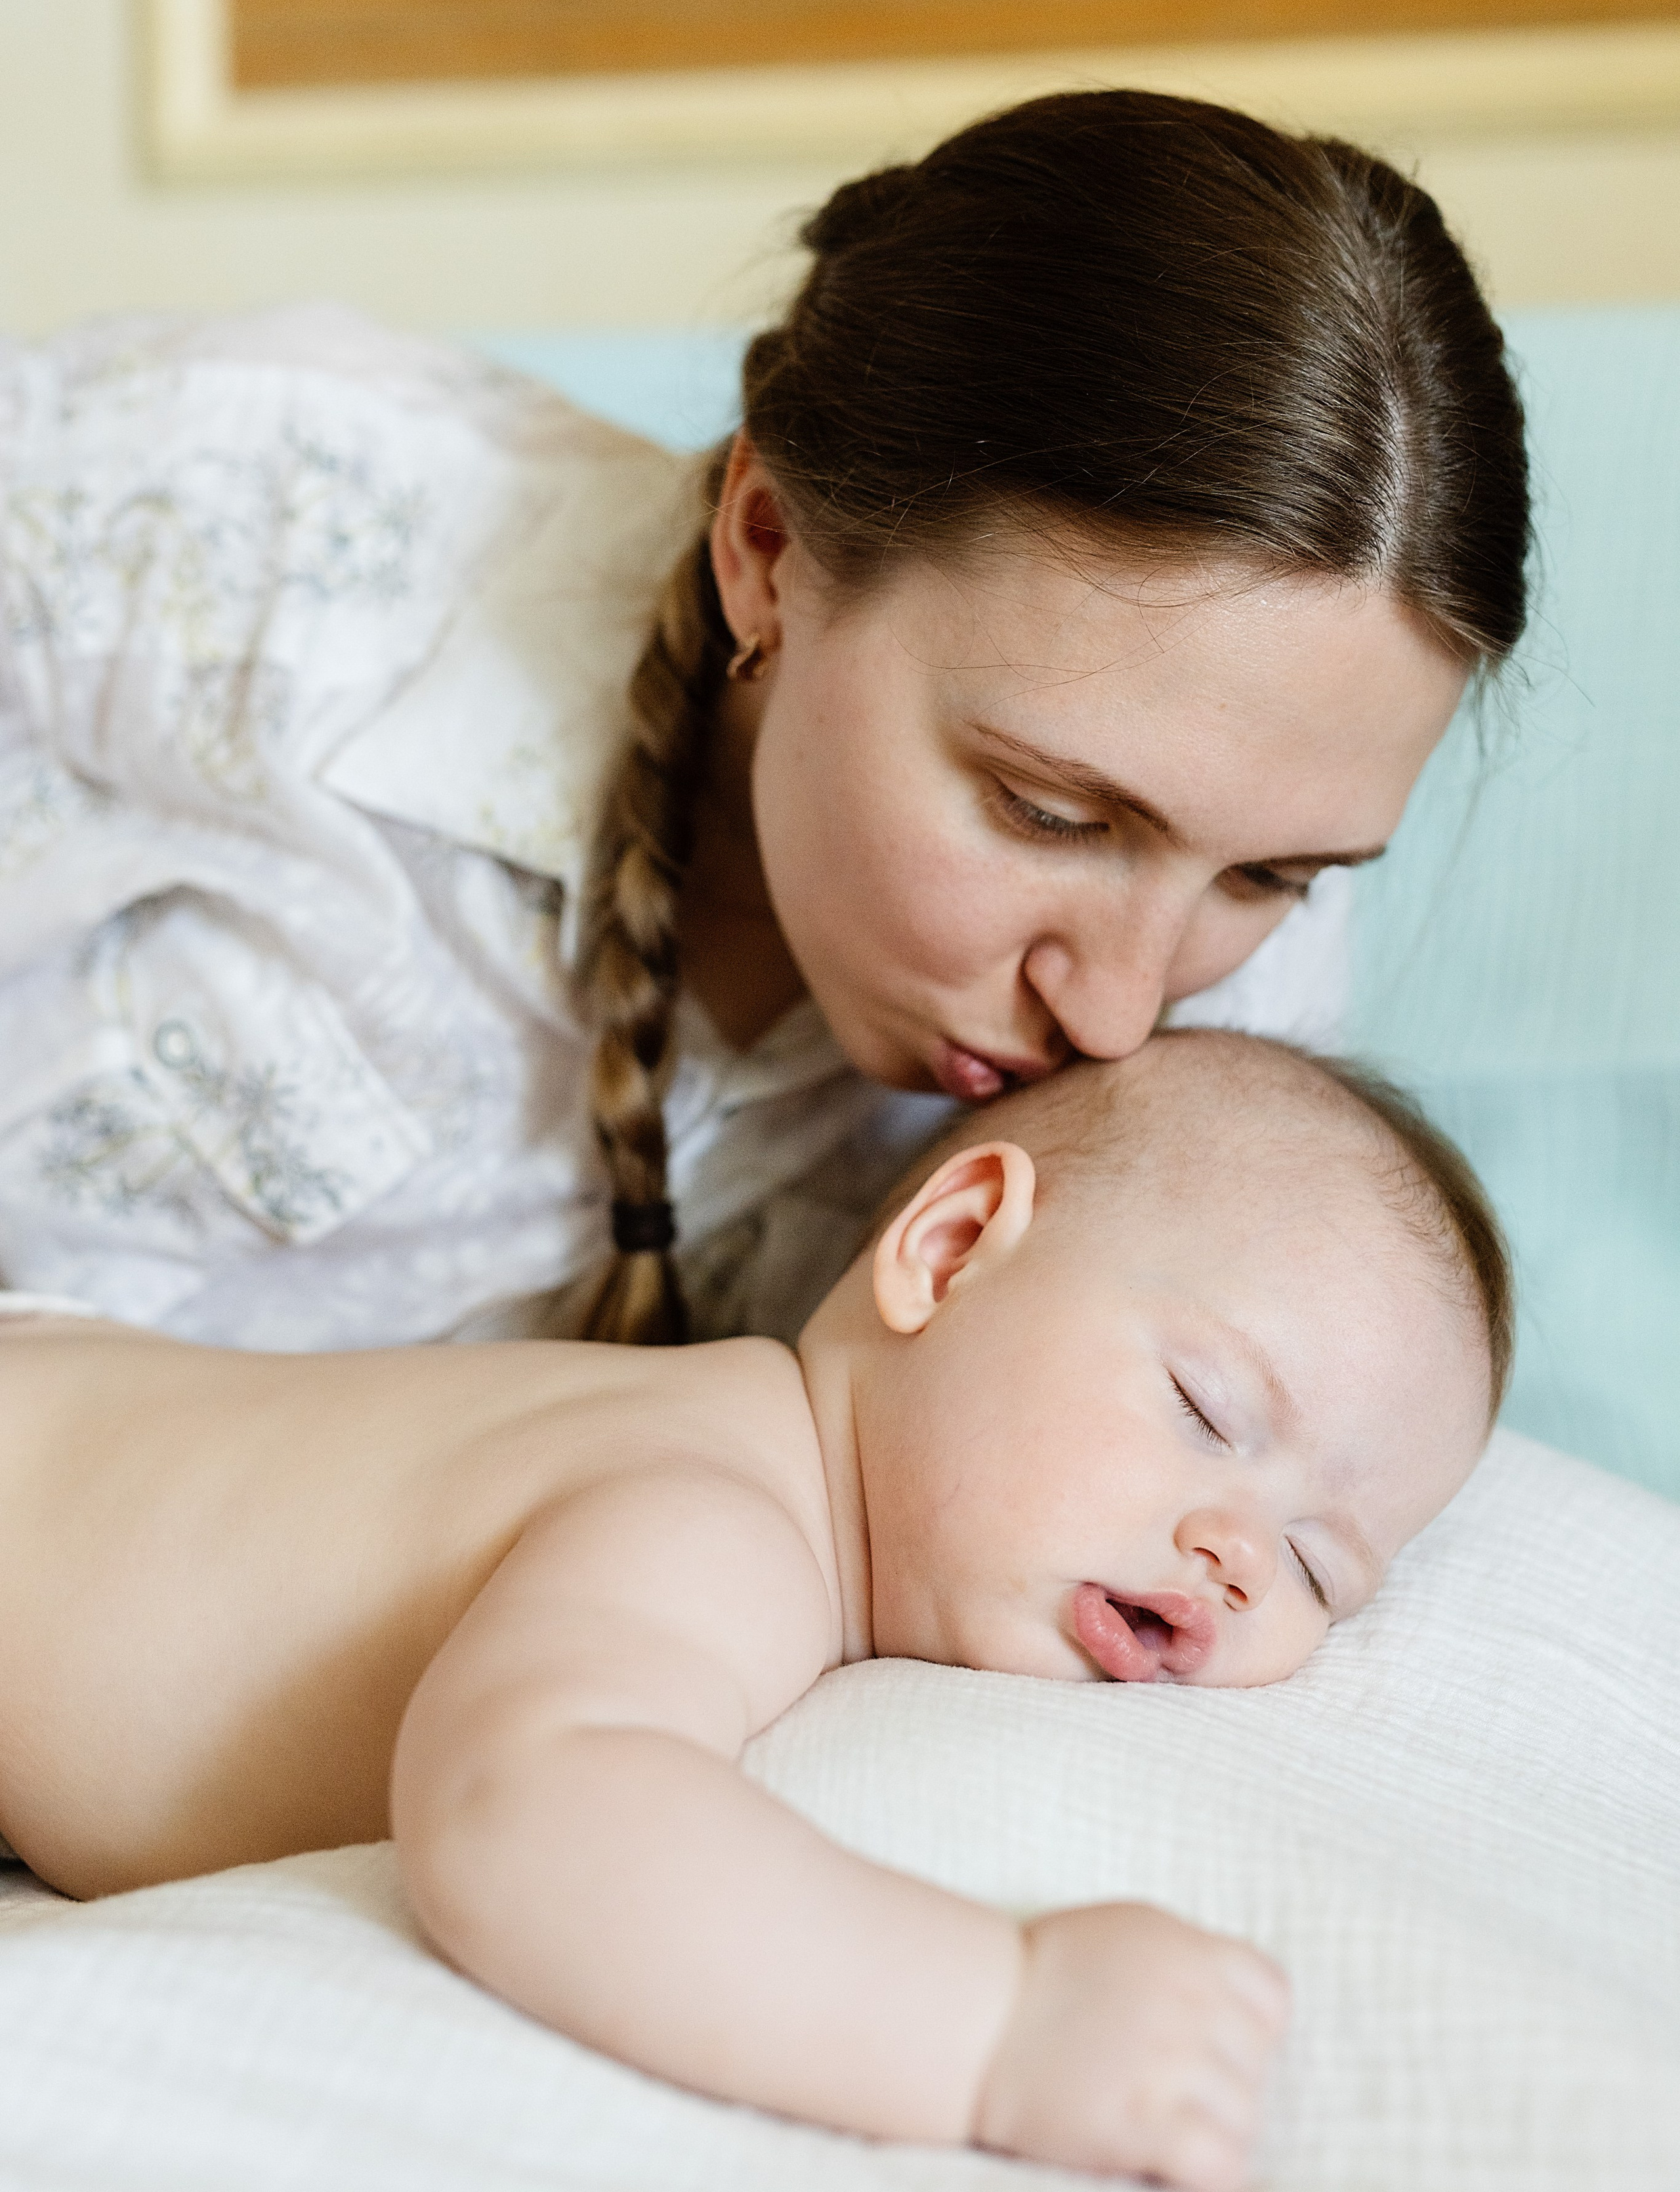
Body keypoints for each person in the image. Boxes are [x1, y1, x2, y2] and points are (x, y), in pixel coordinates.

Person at [0, 91, 1529, 1356]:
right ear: (769, 548)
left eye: (1272, 878)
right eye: (1051, 812)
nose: (1123, 1016)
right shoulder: (237, 519)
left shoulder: (1227, 1058)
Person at [0, 1030, 1508, 2192]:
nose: (1244, 1552)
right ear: (950, 1247)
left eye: (1321, 1564)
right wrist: (991, 2018)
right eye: (1204, 1404)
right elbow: (526, 1808)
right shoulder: (716, 1515)